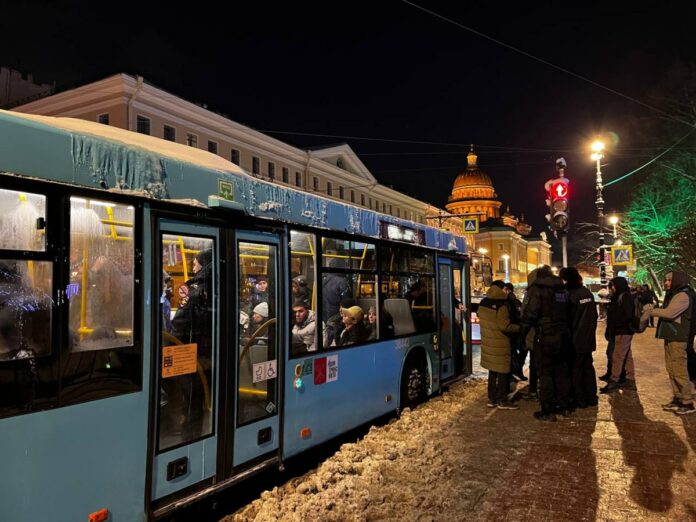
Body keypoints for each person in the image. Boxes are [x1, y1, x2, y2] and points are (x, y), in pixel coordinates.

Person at [520, 265, 572, 421]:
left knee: (545, 373)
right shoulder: (563, 290)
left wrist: (522, 335)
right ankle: (564, 406)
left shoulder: (537, 290)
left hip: (545, 336)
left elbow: (529, 315)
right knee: (561, 371)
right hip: (563, 335)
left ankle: (547, 410)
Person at [647, 271, 694, 415]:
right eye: (666, 280)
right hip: (671, 336)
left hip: (678, 338)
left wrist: (651, 311)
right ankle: (678, 398)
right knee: (671, 369)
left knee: (679, 370)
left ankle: (687, 402)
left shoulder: (683, 295)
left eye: (669, 280)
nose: (666, 283)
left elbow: (669, 313)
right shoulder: (675, 294)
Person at [478, 280, 520, 410]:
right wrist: (518, 328)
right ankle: (502, 399)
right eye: (505, 289)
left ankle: (492, 398)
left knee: (492, 371)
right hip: (501, 343)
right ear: (500, 289)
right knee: (503, 371)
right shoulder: (502, 305)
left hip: (488, 342)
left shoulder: (483, 302)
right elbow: (504, 326)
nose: (506, 292)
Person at [560, 267, 598, 408]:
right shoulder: (587, 293)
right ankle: (591, 397)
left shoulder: (570, 295)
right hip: (588, 338)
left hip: (575, 339)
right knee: (588, 367)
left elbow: (567, 318)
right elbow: (594, 316)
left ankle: (580, 398)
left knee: (576, 369)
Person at [600, 277, 637, 393]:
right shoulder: (618, 297)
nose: (611, 288)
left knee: (617, 356)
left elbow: (627, 315)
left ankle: (614, 380)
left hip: (623, 331)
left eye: (612, 286)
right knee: (627, 356)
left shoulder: (625, 297)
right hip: (620, 331)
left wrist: (616, 323)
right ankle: (630, 380)